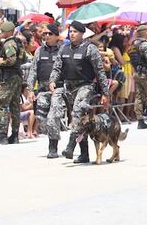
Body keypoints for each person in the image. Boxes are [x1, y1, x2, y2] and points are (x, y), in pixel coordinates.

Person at [49, 21, 110, 163]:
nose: (72, 34)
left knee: (77, 112)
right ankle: (84, 154)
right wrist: (52, 80)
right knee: (80, 119)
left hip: (85, 87)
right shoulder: (63, 49)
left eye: (75, 32)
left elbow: (99, 72)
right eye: (70, 31)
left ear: (82, 34)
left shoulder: (90, 49)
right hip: (69, 87)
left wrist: (105, 93)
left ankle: (71, 145)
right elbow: (57, 68)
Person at [26, 23, 63, 158]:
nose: (46, 36)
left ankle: (53, 147)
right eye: (45, 34)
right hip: (42, 90)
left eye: (50, 34)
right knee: (41, 118)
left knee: (53, 117)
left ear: (56, 36)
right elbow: (33, 71)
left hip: (57, 90)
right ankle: (52, 135)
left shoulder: (62, 51)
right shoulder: (39, 51)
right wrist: (30, 89)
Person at [0, 21, 26, 144]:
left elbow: (11, 60)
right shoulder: (19, 43)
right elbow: (23, 59)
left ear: (8, 32)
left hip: (7, 77)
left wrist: (0, 62)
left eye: (3, 32)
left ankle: (2, 135)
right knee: (14, 105)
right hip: (16, 76)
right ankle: (15, 134)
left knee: (2, 105)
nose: (1, 34)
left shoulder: (9, 44)